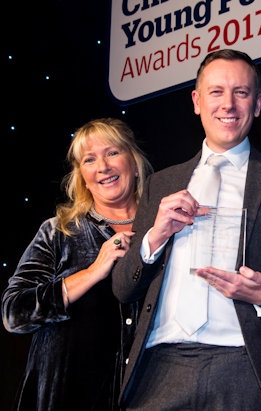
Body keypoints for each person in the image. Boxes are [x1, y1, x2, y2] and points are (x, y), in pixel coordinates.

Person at [110, 49, 261, 410]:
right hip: (160, 367)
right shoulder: (161, 184)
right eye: (216, 91)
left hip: (245, 364)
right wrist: (154, 237)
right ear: (196, 101)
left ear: (257, 104)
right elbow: (123, 287)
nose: (228, 104)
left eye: (241, 92)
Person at [2, 117, 153, 410]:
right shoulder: (59, 231)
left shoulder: (162, 230)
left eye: (112, 153)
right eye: (89, 159)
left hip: (146, 397)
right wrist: (93, 272)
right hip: (67, 399)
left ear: (134, 163)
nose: (103, 167)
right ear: (82, 176)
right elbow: (14, 313)